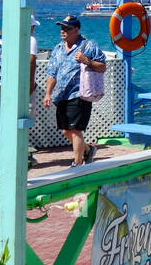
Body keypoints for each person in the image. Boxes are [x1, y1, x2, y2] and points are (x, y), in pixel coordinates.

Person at [43, 15, 107, 167]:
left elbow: (103, 67)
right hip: (62, 95)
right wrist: (47, 93)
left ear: (77, 30)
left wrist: (88, 61)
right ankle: (88, 150)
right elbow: (52, 73)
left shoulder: (88, 45)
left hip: (80, 93)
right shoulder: (58, 48)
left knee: (76, 130)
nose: (63, 31)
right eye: (62, 28)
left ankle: (77, 164)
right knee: (66, 131)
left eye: (67, 28)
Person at [0, 17, 39, 171]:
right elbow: (14, 66)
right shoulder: (12, 43)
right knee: (10, 127)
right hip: (6, 90)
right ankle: (10, 161)